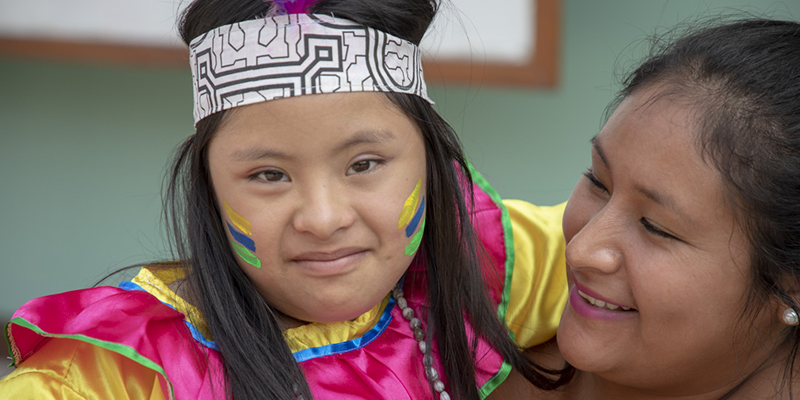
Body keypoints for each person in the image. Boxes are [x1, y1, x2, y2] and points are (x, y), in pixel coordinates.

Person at [0, 0, 571, 399]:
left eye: (364, 164)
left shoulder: (492, 265)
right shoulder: (111, 378)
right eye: (269, 175)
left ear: (429, 155)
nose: (323, 219)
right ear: (208, 184)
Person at [490, 18, 800, 400]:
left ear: (791, 283)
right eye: (598, 181)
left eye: (655, 227)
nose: (579, 250)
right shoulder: (442, 343)